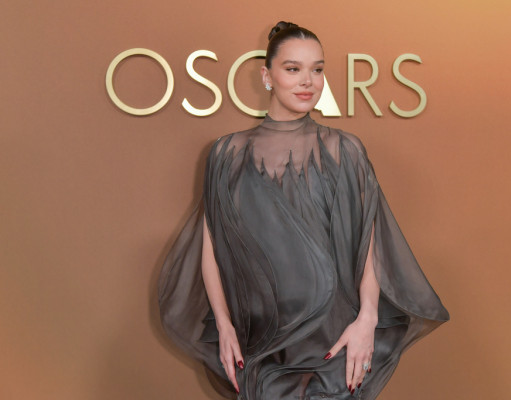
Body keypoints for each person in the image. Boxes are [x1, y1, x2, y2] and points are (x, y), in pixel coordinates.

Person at [158, 21, 449, 400]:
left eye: (317, 69)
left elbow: (370, 242)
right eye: (293, 69)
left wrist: (367, 318)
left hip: (336, 332)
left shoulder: (344, 149)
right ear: (267, 76)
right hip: (260, 337)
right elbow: (211, 246)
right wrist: (225, 326)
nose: (307, 81)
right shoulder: (227, 153)